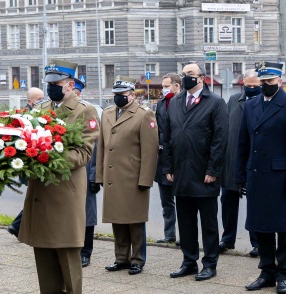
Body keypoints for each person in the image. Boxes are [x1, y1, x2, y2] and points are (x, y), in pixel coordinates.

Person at [18, 59, 99, 294]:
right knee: (44, 257)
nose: (51, 88)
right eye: (49, 84)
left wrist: (46, 154)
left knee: (67, 258)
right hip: (40, 193)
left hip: (65, 194)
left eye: (56, 84)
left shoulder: (85, 110)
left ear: (70, 85)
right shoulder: (40, 108)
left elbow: (83, 155)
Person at [235, 61, 286, 294]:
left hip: (282, 177)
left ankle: (284, 273)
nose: (265, 86)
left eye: (269, 81)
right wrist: (240, 176)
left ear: (280, 81)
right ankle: (266, 271)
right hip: (257, 175)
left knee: (284, 229)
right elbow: (243, 143)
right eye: (262, 82)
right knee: (262, 227)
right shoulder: (251, 106)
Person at [163, 62, 228, 281]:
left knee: (208, 223)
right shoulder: (176, 102)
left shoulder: (215, 103)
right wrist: (168, 166)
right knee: (186, 222)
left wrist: (213, 169)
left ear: (201, 78)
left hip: (204, 173)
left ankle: (210, 263)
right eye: (183, 74)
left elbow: (220, 139)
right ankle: (189, 261)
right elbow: (168, 137)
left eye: (190, 74)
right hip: (181, 173)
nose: (185, 77)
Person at [96, 76, 159, 275]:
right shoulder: (106, 114)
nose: (118, 98)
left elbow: (150, 151)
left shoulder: (144, 115)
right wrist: (99, 175)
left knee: (134, 220)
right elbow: (102, 147)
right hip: (113, 175)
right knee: (117, 219)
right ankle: (121, 258)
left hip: (133, 176)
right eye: (115, 95)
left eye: (122, 95)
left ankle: (137, 260)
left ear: (132, 95)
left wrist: (146, 179)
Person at [219, 69, 260, 257]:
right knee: (228, 200)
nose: (251, 89)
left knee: (255, 203)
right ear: (242, 82)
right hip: (232, 160)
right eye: (248, 85)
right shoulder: (234, 100)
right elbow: (225, 127)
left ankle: (257, 242)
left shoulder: (262, 102)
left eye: (255, 86)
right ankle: (228, 239)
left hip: (254, 161)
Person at [8, 87, 46, 238]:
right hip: (29, 163)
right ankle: (18, 226)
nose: (42, 101)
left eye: (43, 98)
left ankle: (18, 227)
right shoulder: (25, 117)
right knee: (36, 197)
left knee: (37, 197)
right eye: (38, 99)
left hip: (38, 161)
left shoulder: (42, 113)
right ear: (29, 101)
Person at [72, 77, 100, 268]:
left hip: (86, 169)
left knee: (87, 214)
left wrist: (94, 176)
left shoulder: (88, 111)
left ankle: (85, 252)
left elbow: (96, 147)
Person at [154, 73, 181, 246]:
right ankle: (169, 234)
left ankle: (185, 235)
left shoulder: (184, 103)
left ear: (177, 86)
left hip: (180, 157)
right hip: (163, 157)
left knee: (184, 201)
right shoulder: (161, 104)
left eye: (167, 85)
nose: (164, 89)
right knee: (166, 201)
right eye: (163, 86)